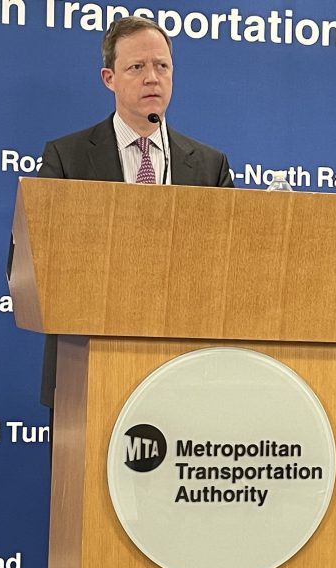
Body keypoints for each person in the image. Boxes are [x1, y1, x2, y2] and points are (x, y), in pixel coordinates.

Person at [37, 15, 234, 409]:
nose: (152, 78)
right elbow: (43, 261)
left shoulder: (209, 165)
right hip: (89, 364)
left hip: (185, 367)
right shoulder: (67, 157)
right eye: (137, 67)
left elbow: (227, 267)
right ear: (109, 78)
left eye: (162, 66)